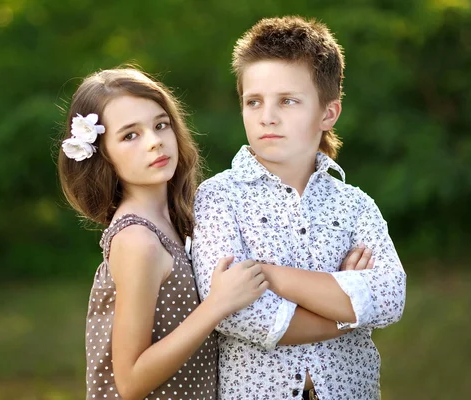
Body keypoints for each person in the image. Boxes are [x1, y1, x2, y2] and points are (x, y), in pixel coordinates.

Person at [192, 16, 407, 400]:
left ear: (328, 113)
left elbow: (390, 297)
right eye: (253, 101)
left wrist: (269, 275)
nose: (267, 116)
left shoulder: (354, 205)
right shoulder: (219, 197)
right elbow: (236, 312)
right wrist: (346, 308)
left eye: (288, 101)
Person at [57, 67, 269, 400]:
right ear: (103, 154)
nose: (155, 141)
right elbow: (129, 382)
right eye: (130, 135)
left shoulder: (176, 219)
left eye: (160, 125)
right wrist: (217, 305)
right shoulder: (137, 240)